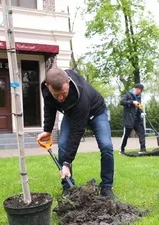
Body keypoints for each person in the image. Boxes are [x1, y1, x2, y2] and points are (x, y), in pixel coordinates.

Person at [37, 67, 115, 199]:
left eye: (64, 93)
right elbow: (50, 107)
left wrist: (67, 163)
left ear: (68, 82)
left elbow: (77, 132)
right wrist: (47, 130)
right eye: (57, 95)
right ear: (47, 86)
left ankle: (106, 187)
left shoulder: (81, 93)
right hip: (71, 115)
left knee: (106, 146)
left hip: (96, 113)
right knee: (62, 146)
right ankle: (68, 187)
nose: (61, 98)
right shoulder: (47, 90)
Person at [119, 83, 147, 154]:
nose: (141, 92)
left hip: (137, 120)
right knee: (126, 135)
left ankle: (143, 149)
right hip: (129, 119)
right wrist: (132, 102)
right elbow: (122, 102)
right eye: (141, 91)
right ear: (137, 89)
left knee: (142, 132)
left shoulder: (138, 97)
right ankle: (121, 150)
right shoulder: (128, 95)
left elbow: (139, 107)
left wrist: (141, 113)